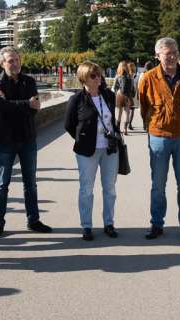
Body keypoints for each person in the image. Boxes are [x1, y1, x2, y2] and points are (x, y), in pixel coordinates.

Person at [139, 37, 180, 240]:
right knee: (158, 184)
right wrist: (156, 124)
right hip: (158, 136)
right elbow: (144, 107)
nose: (172, 56)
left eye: (175, 52)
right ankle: (156, 224)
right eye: (167, 53)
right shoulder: (147, 78)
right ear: (157, 56)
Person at [0, 46, 52, 238]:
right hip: (5, 139)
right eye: (10, 60)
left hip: (27, 138)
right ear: (2, 63)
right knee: (1, 184)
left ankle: (33, 220)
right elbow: (0, 106)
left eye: (16, 60)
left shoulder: (29, 81)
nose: (14, 63)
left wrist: (11, 106)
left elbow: (35, 109)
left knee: (30, 183)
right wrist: (24, 104)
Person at [65, 61, 119, 241]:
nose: (98, 78)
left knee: (110, 188)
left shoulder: (109, 96)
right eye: (93, 75)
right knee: (86, 189)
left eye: (99, 74)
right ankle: (86, 225)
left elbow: (113, 121)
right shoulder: (76, 99)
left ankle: (109, 223)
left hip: (109, 149)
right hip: (87, 151)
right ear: (84, 79)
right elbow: (69, 125)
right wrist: (83, 140)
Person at [113, 61, 133, 135]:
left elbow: (115, 87)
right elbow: (132, 87)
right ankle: (125, 129)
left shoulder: (118, 76)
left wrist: (117, 92)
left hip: (119, 95)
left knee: (119, 113)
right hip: (127, 96)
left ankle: (118, 129)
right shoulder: (130, 76)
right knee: (127, 113)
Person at [127, 62, 137, 130]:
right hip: (129, 94)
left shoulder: (125, 74)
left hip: (124, 94)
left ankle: (125, 124)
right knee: (132, 109)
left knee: (126, 110)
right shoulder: (132, 75)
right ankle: (129, 124)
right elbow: (132, 86)